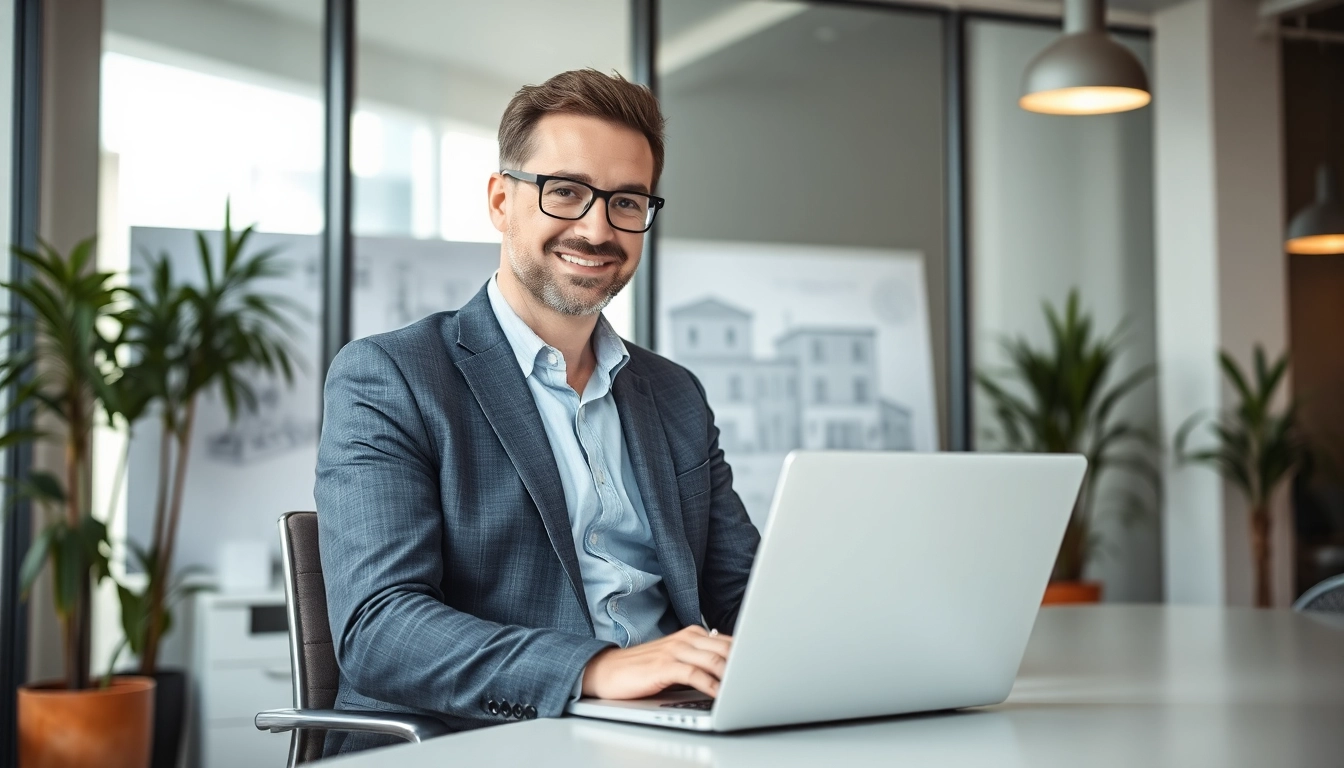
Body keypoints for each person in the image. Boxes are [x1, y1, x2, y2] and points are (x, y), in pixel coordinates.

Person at [315, 69, 761, 755]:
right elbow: (380, 629)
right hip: (480, 741)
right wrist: (595, 669)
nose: (597, 227)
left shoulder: (674, 396)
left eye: (627, 202)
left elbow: (747, 596)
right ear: (501, 200)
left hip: (673, 736)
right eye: (566, 192)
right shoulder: (393, 376)